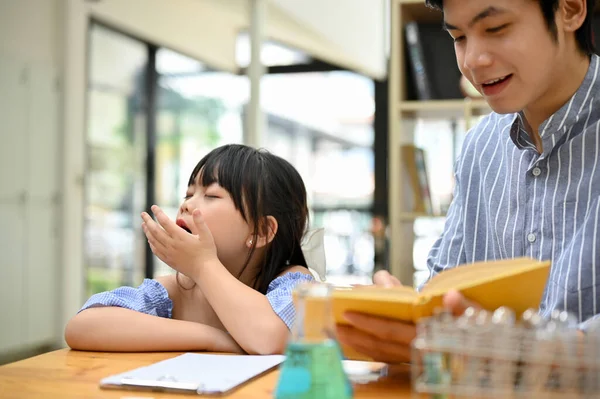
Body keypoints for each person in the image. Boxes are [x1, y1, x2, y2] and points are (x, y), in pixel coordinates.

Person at [337, 0, 600, 363]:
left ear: (570, 10)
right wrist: (410, 316)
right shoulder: (480, 146)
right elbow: (447, 288)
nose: (472, 60)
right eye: (459, 37)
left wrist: (514, 350)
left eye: (496, 29)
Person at [65, 144, 316, 355]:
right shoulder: (177, 290)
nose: (187, 205)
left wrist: (203, 265)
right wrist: (211, 338)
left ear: (261, 231)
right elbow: (81, 326)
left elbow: (269, 339)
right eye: (188, 194)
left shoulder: (294, 282)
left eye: (211, 196)